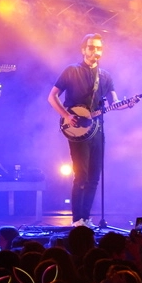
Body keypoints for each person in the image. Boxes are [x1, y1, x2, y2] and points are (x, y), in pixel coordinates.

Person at [48, 34, 116, 228]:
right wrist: (66, 116)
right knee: (81, 175)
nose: (96, 51)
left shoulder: (105, 76)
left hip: (97, 130)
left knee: (94, 177)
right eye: (92, 47)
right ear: (83, 50)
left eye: (99, 48)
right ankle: (77, 219)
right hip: (77, 129)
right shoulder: (72, 71)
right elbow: (52, 97)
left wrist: (125, 103)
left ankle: (86, 218)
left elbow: (114, 101)